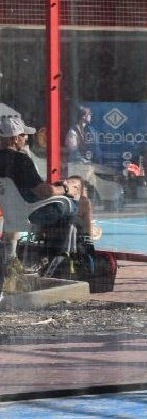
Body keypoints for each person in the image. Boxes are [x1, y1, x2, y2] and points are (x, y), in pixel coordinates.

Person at [0, 116, 82, 293]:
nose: (26, 138)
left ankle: (13, 260)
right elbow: (44, 192)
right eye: (23, 135)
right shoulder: (20, 160)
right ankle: (58, 258)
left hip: (11, 215)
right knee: (71, 204)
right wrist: (65, 189)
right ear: (14, 138)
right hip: (31, 213)